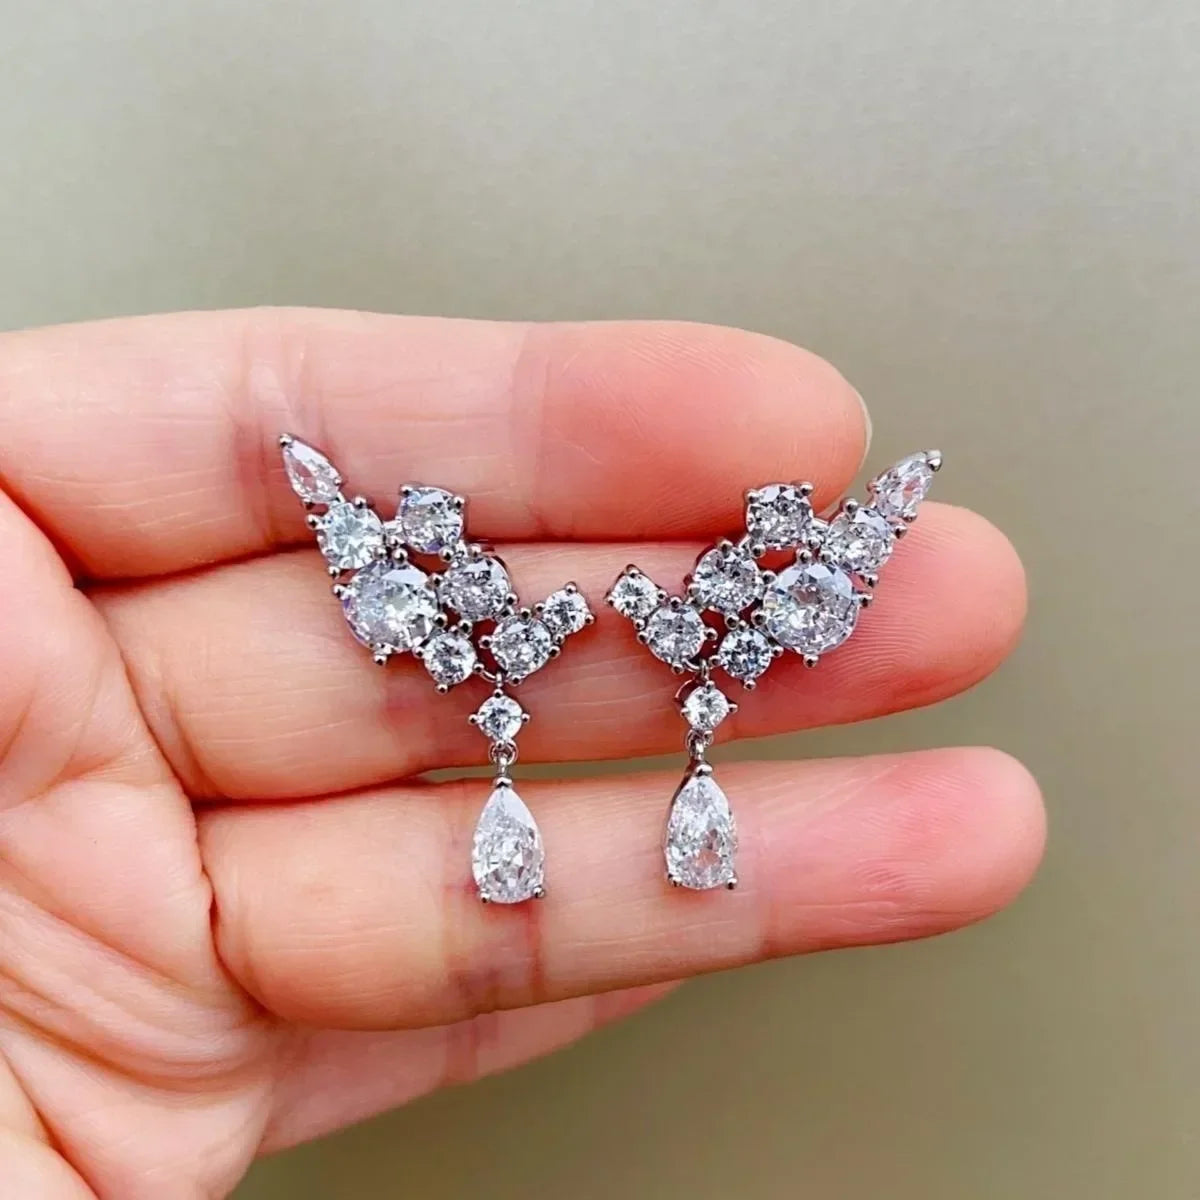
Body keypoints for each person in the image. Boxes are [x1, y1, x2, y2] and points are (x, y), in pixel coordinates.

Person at [0, 309, 1044, 1198]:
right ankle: (594, 861)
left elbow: (649, 628)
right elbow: (527, 629)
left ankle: (647, 855)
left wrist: (618, 611)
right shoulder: (442, 596)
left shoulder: (754, 590)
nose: (441, 529)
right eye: (432, 527)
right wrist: (605, 611)